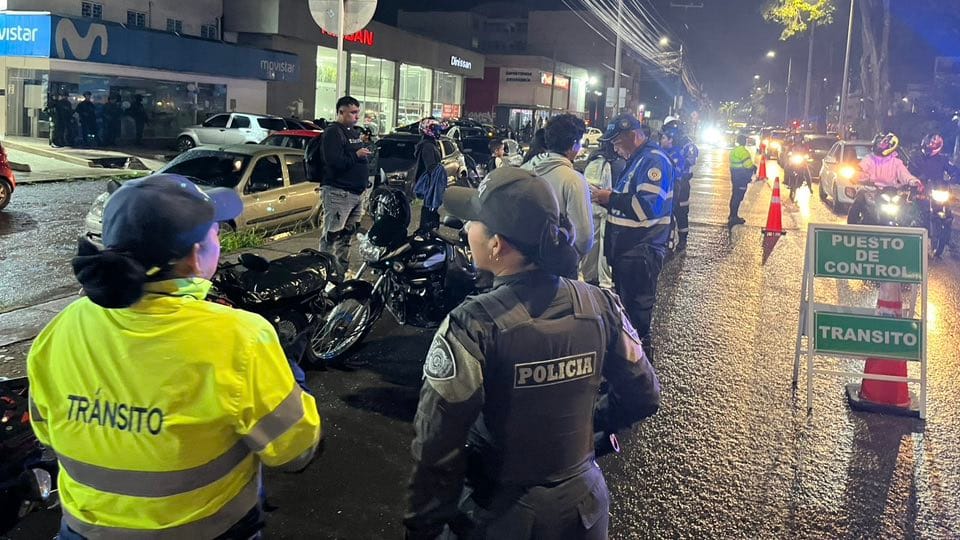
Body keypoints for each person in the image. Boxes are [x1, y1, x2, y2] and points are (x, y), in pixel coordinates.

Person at [28, 174, 322, 539]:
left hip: (81, 531)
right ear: (197, 256)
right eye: (216, 233)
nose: (219, 241)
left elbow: (47, 431)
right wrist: (293, 379)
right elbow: (294, 451)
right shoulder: (240, 337)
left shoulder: (61, 328)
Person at [403, 166, 661, 539]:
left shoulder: (472, 325)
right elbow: (644, 395)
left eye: (474, 221)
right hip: (585, 508)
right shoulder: (600, 304)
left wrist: (421, 528)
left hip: (503, 513)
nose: (465, 230)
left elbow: (435, 444)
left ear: (497, 244)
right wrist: (588, 424)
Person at [589, 114, 676, 362]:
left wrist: (609, 198)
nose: (615, 149)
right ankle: (630, 370)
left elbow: (646, 207)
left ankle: (640, 373)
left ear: (633, 136)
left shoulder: (653, 161)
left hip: (641, 252)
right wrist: (607, 202)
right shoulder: (638, 159)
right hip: (629, 252)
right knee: (628, 315)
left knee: (637, 318)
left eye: (617, 142)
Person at [522, 113, 594, 276]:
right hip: (559, 265)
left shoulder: (525, 169)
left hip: (524, 262)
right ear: (574, 144)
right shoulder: (573, 180)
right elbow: (584, 237)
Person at [320, 95, 373, 275]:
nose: (356, 116)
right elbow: (333, 161)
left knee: (347, 236)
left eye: (357, 112)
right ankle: (324, 273)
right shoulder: (333, 132)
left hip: (356, 194)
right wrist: (356, 155)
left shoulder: (352, 132)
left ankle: (340, 272)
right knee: (331, 236)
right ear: (341, 112)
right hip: (338, 193)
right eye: (352, 112)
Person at [581, 140, 624, 287]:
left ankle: (590, 278)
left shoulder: (593, 160)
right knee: (606, 246)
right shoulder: (616, 162)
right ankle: (605, 281)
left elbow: (588, 185)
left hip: (592, 206)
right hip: (608, 209)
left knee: (592, 245)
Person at [660, 119, 698, 250]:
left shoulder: (687, 144)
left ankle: (682, 239)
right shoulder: (665, 145)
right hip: (668, 183)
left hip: (682, 183)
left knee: (681, 213)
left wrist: (678, 165)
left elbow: (691, 160)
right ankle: (667, 242)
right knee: (667, 213)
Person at [412, 118, 445, 232]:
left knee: (429, 211)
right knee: (428, 212)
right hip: (429, 187)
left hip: (429, 186)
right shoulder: (428, 146)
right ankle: (425, 233)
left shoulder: (428, 144)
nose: (438, 131)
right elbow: (431, 167)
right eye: (435, 129)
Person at [728, 134, 756, 225]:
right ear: (744, 141)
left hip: (735, 176)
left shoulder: (734, 151)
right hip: (742, 177)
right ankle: (734, 217)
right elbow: (748, 165)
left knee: (734, 195)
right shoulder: (743, 152)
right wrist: (754, 167)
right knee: (738, 197)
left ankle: (732, 215)